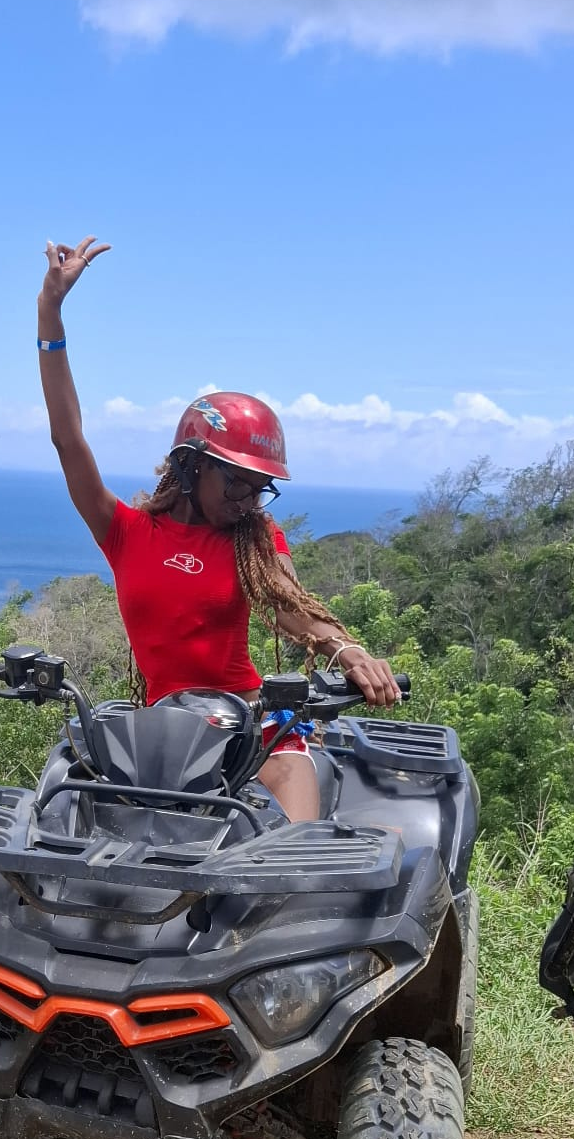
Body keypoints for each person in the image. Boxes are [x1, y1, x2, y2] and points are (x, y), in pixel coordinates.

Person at [37, 235, 402, 823]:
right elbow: (67, 438)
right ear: (189, 465)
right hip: (157, 735)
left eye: (259, 487)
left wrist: (347, 648)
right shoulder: (126, 532)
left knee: (289, 865)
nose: (248, 498)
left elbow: (288, 606)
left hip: (252, 729)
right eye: (235, 482)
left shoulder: (256, 539)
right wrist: (50, 310)